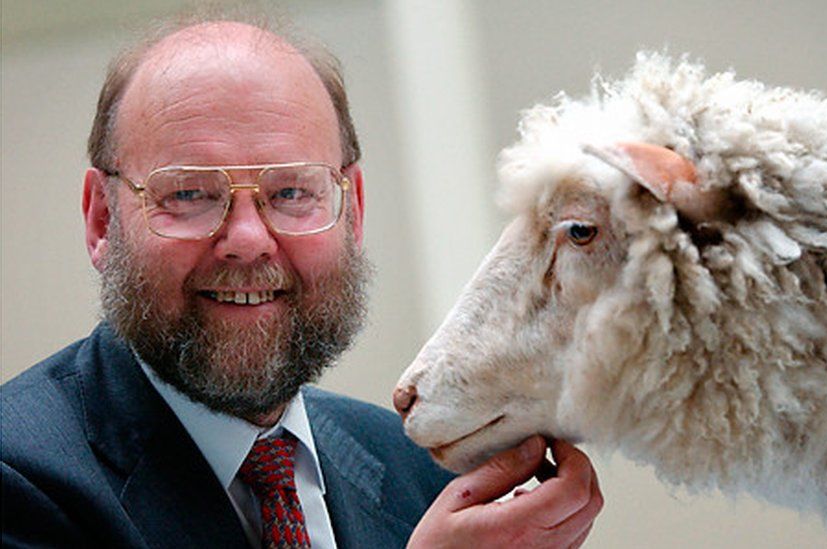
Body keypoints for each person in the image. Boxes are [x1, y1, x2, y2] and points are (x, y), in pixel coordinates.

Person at [0, 15, 602, 549]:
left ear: (354, 210)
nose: (248, 239)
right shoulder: (19, 476)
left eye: (291, 193)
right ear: (102, 220)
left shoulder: (417, 468)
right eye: (187, 194)